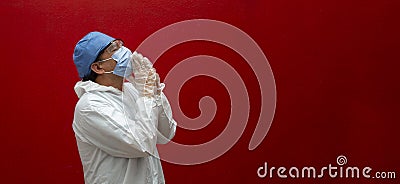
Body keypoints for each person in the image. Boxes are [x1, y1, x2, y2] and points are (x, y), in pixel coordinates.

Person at [72, 31, 177, 184]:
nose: (125, 51)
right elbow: (142, 145)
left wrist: (154, 92)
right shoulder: (91, 107)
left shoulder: (133, 91)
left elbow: (167, 133)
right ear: (98, 67)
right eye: (114, 49)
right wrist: (147, 96)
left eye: (120, 44)